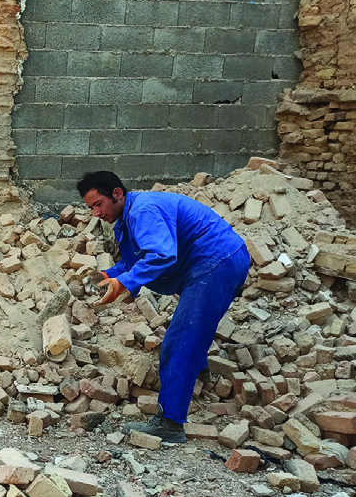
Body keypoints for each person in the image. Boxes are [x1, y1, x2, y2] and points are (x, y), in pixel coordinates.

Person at [77, 170, 250, 443]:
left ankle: (169, 423)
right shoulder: (128, 218)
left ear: (117, 194)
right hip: (218, 261)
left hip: (216, 262)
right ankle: (197, 371)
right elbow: (135, 261)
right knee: (191, 332)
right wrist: (109, 276)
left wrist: (125, 284)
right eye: (90, 208)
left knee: (179, 340)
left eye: (98, 204)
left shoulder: (143, 211)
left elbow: (161, 255)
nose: (95, 213)